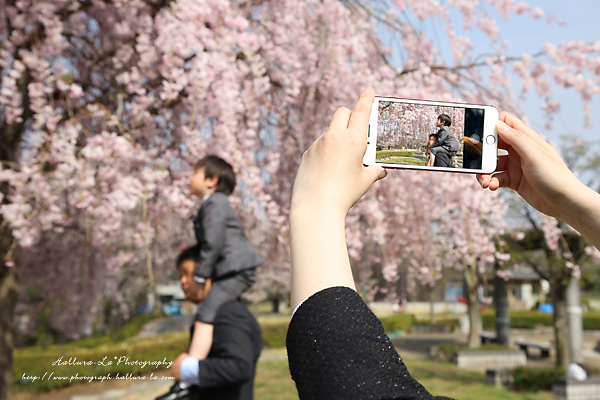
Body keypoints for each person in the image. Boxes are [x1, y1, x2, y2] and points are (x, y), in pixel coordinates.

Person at [285, 87, 600, 399]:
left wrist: (316, 208)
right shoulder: (446, 136)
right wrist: (574, 203)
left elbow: (358, 386)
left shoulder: (447, 137)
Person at [157, 246, 263, 400]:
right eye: (181, 275)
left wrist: (186, 368)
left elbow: (239, 366)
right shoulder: (215, 312)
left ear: (209, 272)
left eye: (188, 273)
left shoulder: (229, 311)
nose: (183, 281)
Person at [187, 155, 263, 362]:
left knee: (206, 312)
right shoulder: (212, 204)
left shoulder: (215, 203)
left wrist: (199, 277)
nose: (190, 178)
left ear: (211, 180)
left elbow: (212, 243)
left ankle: (190, 370)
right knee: (222, 311)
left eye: (195, 173)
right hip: (231, 270)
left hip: (236, 271)